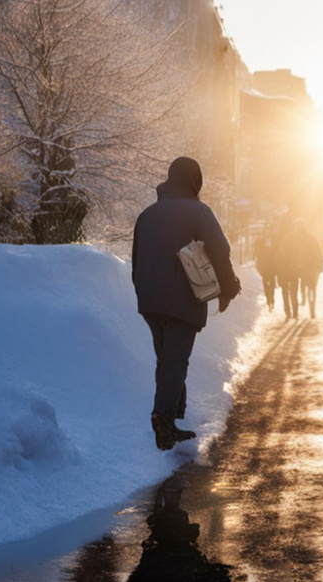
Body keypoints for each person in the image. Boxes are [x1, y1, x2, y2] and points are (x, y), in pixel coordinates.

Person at [132, 156, 241, 451]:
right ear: (195, 181)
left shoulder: (147, 214)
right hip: (181, 298)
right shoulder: (199, 212)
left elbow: (136, 258)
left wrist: (143, 292)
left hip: (150, 299)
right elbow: (220, 250)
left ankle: (172, 415)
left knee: (167, 358)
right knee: (175, 360)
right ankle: (163, 422)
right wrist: (228, 288)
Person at [280, 219, 323, 319]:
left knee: (293, 291)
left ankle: (296, 310)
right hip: (309, 269)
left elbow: (283, 253)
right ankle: (312, 309)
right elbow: (318, 253)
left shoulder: (290, 238)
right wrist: (320, 267)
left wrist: (283, 265)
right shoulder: (311, 239)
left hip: (294, 269)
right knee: (311, 289)